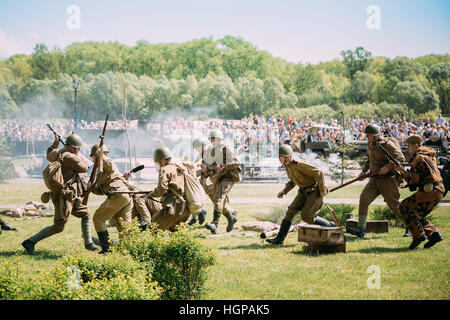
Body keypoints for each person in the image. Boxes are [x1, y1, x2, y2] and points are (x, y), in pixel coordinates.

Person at [22, 133, 100, 255]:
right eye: (77, 148)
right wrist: (79, 157)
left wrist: (56, 142)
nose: (78, 150)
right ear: (73, 147)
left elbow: (49, 153)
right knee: (59, 227)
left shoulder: (58, 153)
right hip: (64, 197)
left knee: (85, 213)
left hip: (69, 196)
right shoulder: (71, 157)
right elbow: (84, 168)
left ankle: (89, 243)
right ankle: (30, 242)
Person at [266, 144, 334, 245]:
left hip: (314, 192)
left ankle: (329, 225)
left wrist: (322, 190)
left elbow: (318, 173)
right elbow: (293, 181)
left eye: (280, 156)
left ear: (287, 156)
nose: (279, 158)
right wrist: (284, 191)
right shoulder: (287, 166)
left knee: (307, 217)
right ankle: (279, 239)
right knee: (290, 213)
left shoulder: (299, 164)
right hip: (302, 192)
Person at [347, 124, 405, 239]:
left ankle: (411, 227)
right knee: (364, 199)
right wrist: (363, 172)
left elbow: (400, 158)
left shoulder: (387, 144)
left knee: (394, 205)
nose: (367, 137)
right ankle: (361, 229)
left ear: (375, 135)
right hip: (374, 179)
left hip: (387, 180)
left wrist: (387, 167)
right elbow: (369, 160)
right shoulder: (370, 144)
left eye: (368, 135)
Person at [397, 134, 445, 249]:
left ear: (416, 145)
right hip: (437, 189)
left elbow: (413, 181)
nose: (408, 149)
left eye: (409, 146)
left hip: (431, 190)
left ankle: (419, 236)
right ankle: (434, 235)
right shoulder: (428, 154)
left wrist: (401, 172)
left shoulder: (418, 158)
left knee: (404, 207)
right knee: (416, 213)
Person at [87, 144, 133, 254]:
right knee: (123, 226)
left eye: (93, 157)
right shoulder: (100, 171)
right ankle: (130, 249)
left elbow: (110, 164)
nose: (93, 160)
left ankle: (106, 249)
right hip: (123, 196)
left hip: (118, 195)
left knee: (98, 218)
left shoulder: (106, 163)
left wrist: (100, 156)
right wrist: (91, 188)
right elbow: (101, 190)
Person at [203, 130, 241, 234]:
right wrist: (206, 167)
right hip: (219, 177)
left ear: (219, 139)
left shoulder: (226, 149)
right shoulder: (211, 150)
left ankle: (215, 224)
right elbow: (206, 161)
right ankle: (231, 218)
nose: (212, 141)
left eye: (213, 139)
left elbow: (236, 163)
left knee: (219, 197)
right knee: (219, 202)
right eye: (211, 139)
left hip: (229, 176)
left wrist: (223, 166)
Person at [146, 147, 191, 231]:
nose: (158, 164)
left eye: (158, 162)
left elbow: (161, 189)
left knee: (154, 225)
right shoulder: (178, 167)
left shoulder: (164, 169)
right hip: (186, 207)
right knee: (174, 230)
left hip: (174, 206)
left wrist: (151, 194)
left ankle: (157, 244)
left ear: (162, 160)